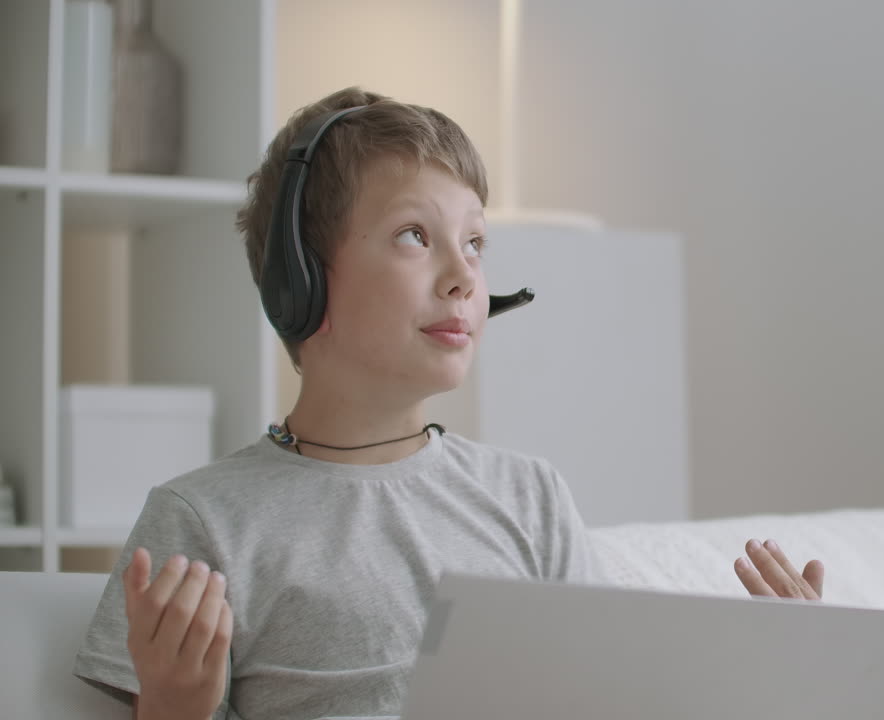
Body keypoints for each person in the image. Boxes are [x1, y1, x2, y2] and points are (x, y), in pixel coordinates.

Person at [72, 86, 825, 720]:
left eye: (474, 244)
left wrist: (770, 678)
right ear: (298, 284)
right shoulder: (204, 521)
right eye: (413, 235)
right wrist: (172, 708)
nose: (465, 277)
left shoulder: (529, 496)